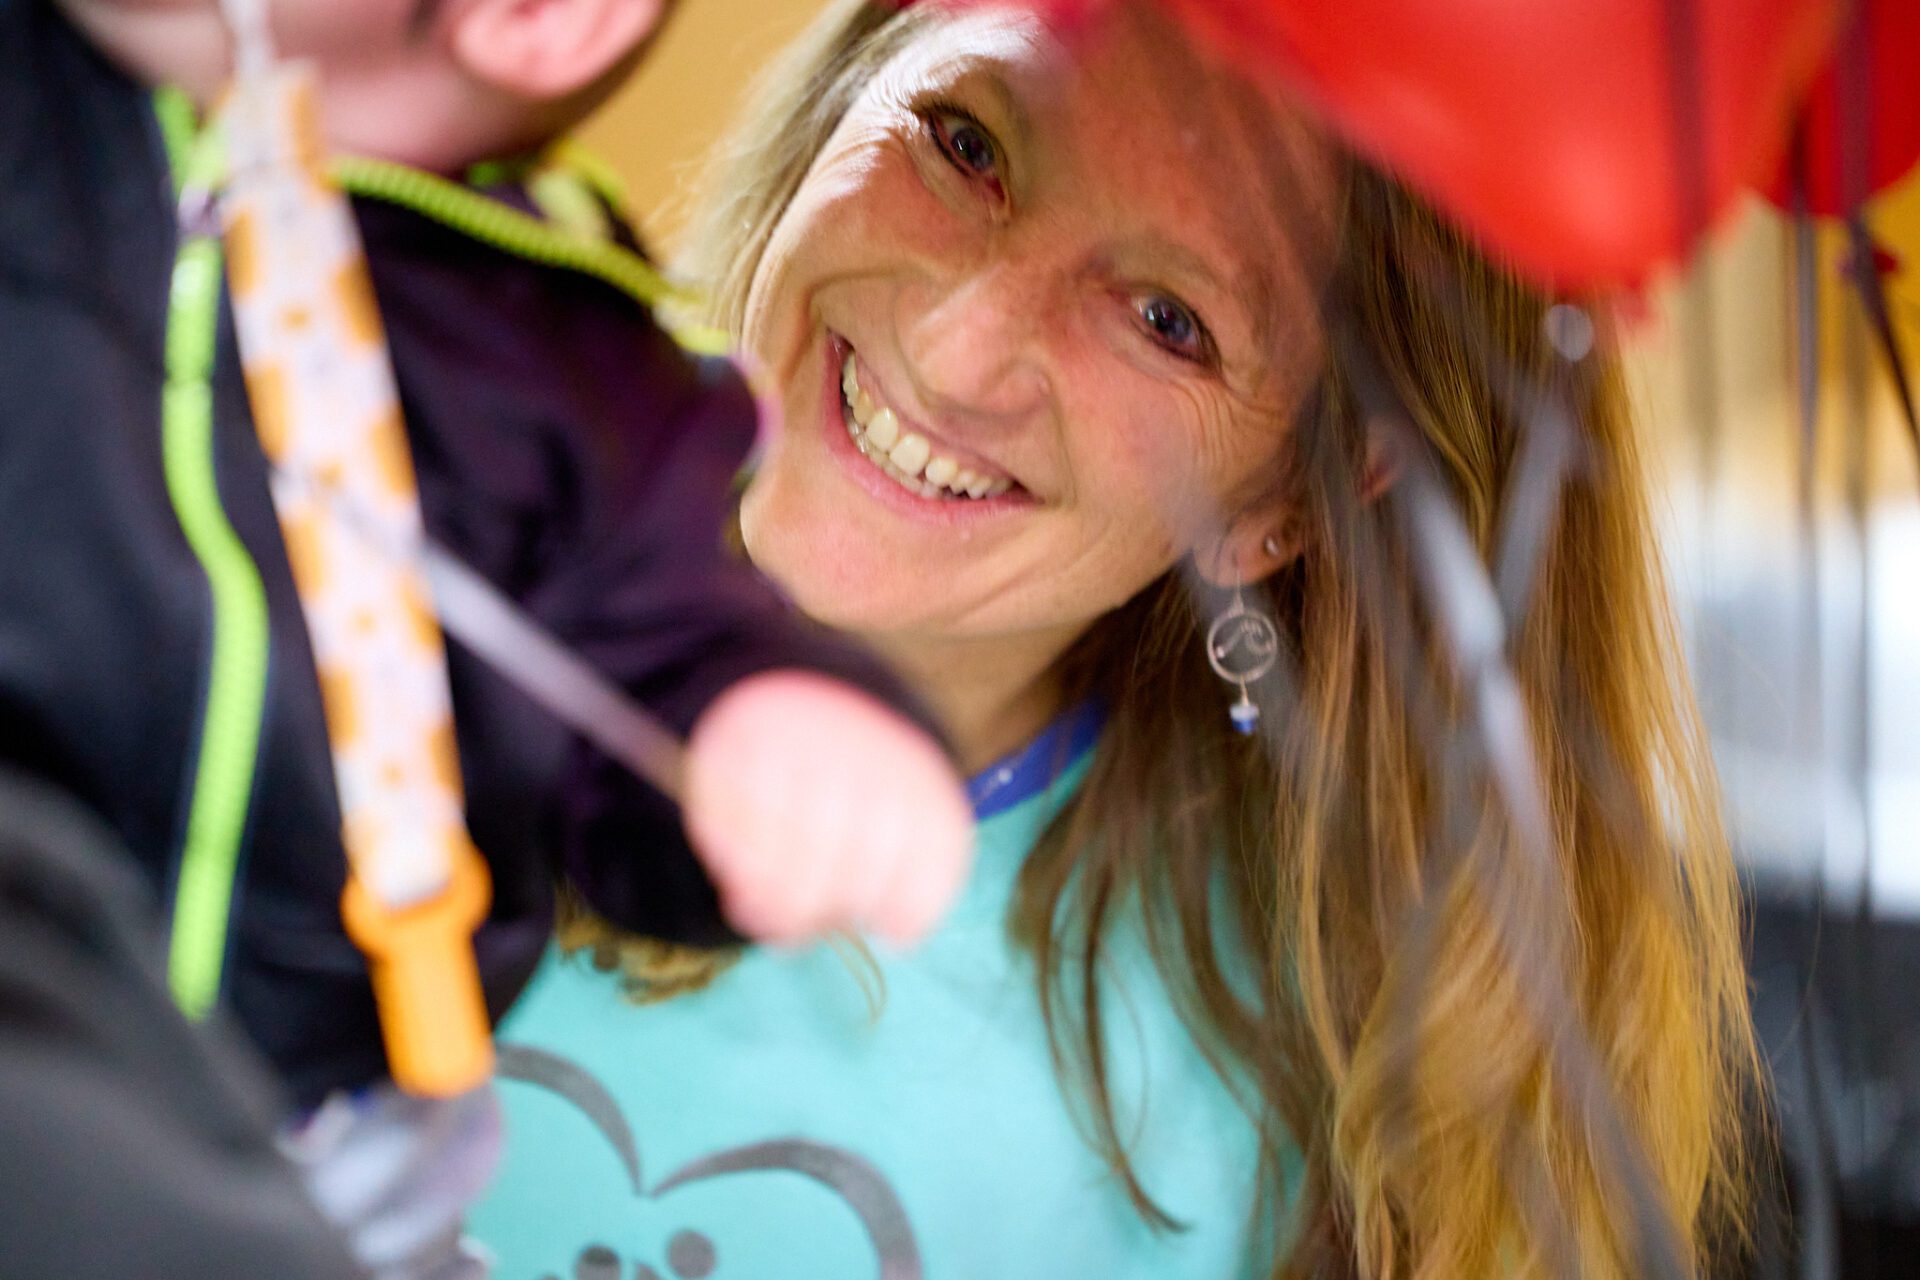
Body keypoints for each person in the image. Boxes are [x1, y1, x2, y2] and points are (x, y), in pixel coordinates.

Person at [470, 3, 1758, 1279]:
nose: (954, 352)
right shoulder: (394, 557)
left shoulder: (1304, 1101)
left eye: (1165, 319)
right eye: (967, 146)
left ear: (1282, 506)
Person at [0, 0, 972, 1273]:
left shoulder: (564, 362)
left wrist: (772, 717)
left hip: (297, 1129)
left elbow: (668, 642)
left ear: (535, 15)